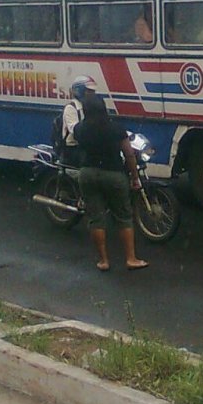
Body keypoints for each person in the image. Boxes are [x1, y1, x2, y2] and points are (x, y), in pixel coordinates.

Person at [73, 95, 148, 272]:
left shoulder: (80, 129)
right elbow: (129, 154)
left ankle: (103, 261)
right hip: (113, 174)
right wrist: (135, 177)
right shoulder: (115, 129)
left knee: (96, 219)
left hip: (88, 174)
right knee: (123, 217)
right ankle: (130, 258)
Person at [62, 75, 97, 165]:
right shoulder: (71, 107)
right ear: (80, 91)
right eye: (89, 91)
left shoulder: (91, 106)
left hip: (88, 146)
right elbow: (74, 130)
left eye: (93, 91)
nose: (92, 93)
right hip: (74, 149)